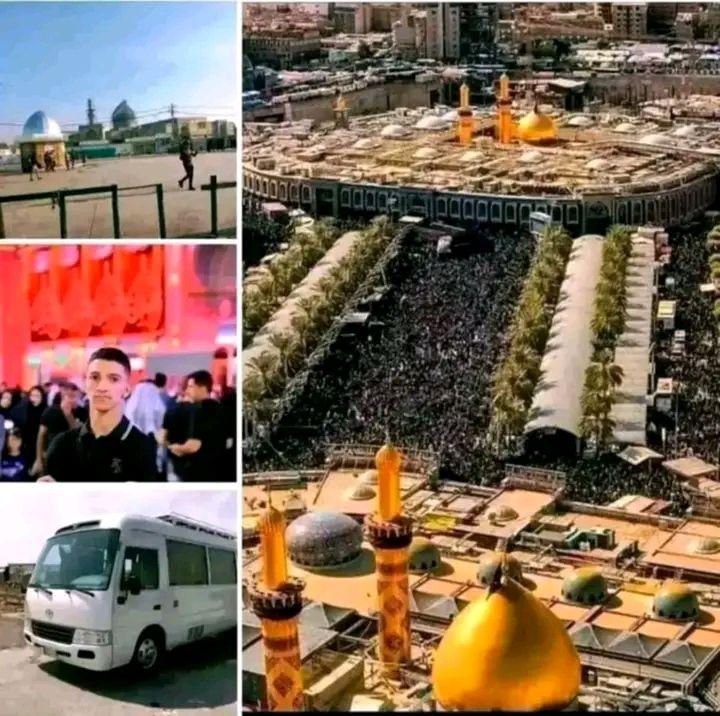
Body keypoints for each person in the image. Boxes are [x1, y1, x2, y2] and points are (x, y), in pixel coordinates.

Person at [39, 348, 157, 482]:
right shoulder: (62, 445)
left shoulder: (142, 447)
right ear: (85, 384)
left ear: (126, 389)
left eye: (114, 379)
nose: (102, 387)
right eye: (95, 377)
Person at [166, 370, 225, 481]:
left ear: (202, 388)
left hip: (203, 472)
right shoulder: (195, 409)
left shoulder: (207, 411)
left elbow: (193, 445)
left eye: (191, 386)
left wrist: (173, 447)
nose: (187, 391)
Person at [34, 382, 84, 475]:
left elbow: (78, 434)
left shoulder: (82, 412)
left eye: (76, 396)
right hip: (53, 457)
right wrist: (38, 459)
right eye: (70, 396)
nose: (74, 400)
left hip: (74, 459)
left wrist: (68, 415)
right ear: (63, 396)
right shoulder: (51, 411)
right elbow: (40, 436)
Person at [10, 385, 46, 472]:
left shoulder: (46, 411)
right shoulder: (24, 408)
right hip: (24, 445)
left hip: (39, 446)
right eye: (32, 395)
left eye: (37, 396)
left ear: (42, 397)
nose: (34, 398)